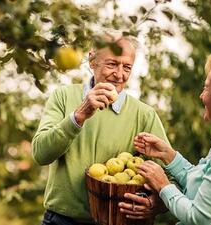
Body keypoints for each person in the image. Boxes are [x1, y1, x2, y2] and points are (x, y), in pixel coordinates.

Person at [32, 35, 171, 225]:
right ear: (92, 61)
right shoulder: (63, 96)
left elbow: (170, 175)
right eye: (112, 64)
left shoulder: (144, 115)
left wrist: (156, 204)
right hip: (61, 220)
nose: (119, 74)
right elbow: (40, 154)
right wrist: (79, 115)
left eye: (127, 67)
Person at [123, 53, 211, 224]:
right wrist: (169, 156)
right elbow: (202, 185)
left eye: (207, 89)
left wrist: (163, 185)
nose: (201, 96)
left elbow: (197, 217)